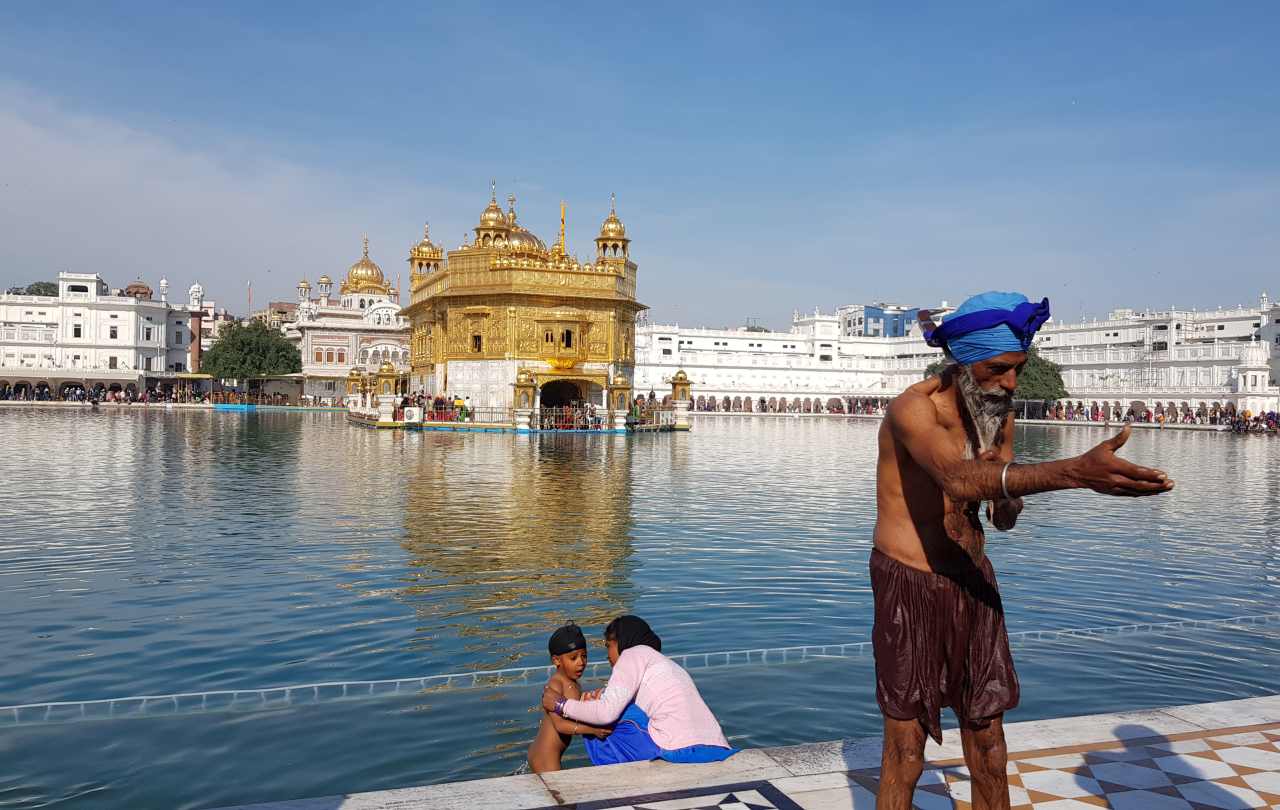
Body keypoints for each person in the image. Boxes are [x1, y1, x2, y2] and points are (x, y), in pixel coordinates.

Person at [874, 292, 1174, 810]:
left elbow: (1000, 515)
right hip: (911, 581)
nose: (1010, 383)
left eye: (1018, 369)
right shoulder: (913, 409)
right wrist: (1073, 473)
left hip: (973, 580)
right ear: (963, 363)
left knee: (989, 743)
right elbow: (958, 479)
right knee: (907, 750)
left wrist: (1007, 496)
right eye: (999, 369)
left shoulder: (998, 413)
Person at [543, 615, 735, 766]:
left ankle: (617, 775)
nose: (608, 656)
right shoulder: (664, 663)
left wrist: (561, 705)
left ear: (621, 642)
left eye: (608, 646)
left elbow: (605, 713)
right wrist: (605, 694)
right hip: (716, 747)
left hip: (678, 749)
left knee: (594, 710)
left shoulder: (631, 654)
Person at [527, 623, 614, 773]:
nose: (581, 663)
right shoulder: (556, 684)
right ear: (556, 661)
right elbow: (560, 725)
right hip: (545, 758)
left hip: (546, 755)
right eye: (573, 658)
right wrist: (592, 730)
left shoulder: (572, 683)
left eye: (584, 656)